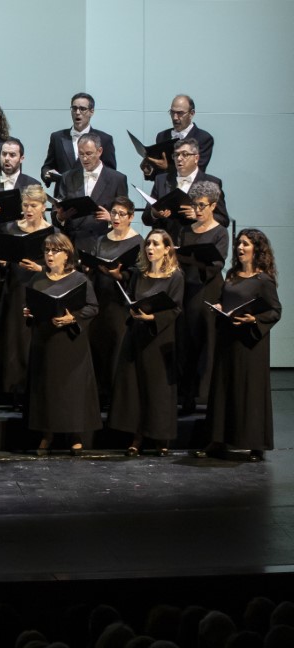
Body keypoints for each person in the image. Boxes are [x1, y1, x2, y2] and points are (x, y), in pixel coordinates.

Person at [196, 229, 282, 461]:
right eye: (238, 244)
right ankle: (218, 440)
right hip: (228, 339)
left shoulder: (263, 280)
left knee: (249, 391)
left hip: (251, 343)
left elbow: (276, 311)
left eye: (245, 244)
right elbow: (226, 300)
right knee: (223, 389)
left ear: (257, 249)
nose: (240, 248)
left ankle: (255, 444)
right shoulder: (232, 275)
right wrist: (220, 307)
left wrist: (254, 319)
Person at [108, 230, 185, 456]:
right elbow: (131, 299)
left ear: (167, 248)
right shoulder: (140, 274)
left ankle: (161, 437)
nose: (150, 248)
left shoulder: (175, 276)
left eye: (155, 244)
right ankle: (137, 435)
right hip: (137, 336)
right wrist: (133, 312)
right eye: (148, 244)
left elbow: (176, 308)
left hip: (160, 339)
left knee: (158, 390)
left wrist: (153, 318)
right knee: (136, 388)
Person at [23, 233, 101, 455]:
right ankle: (47, 434)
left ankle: (75, 435)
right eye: (47, 250)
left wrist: (72, 318)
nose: (49, 255)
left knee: (71, 391)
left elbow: (93, 307)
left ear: (66, 255)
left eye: (55, 251)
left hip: (70, 343)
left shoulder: (79, 280)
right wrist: (28, 313)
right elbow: (31, 307)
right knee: (47, 390)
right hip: (45, 342)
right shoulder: (37, 280)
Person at [0, 184, 51, 407]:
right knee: (13, 339)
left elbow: (64, 269)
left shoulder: (52, 233)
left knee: (32, 340)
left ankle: (32, 390)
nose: (28, 209)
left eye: (33, 205)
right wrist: (3, 262)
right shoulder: (10, 228)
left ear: (43, 207)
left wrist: (41, 269)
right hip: (15, 288)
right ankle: (10, 390)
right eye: (25, 205)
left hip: (40, 290)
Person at [175, 181, 229, 414]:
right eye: (194, 205)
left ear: (213, 206)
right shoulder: (186, 231)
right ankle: (185, 395)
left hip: (207, 291)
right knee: (185, 343)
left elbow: (216, 265)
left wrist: (194, 261)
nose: (197, 210)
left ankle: (204, 396)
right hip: (186, 289)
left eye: (201, 206)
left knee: (206, 342)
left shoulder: (220, 232)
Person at [82, 196, 142, 405]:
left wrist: (120, 276)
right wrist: (89, 267)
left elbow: (139, 273)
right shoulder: (102, 240)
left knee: (117, 346)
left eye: (121, 214)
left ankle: (117, 397)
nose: (116, 218)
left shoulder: (137, 241)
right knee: (98, 344)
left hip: (120, 302)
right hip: (101, 298)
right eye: (114, 213)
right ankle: (98, 393)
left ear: (131, 217)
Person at [142, 138, 228, 244]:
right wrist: (155, 214)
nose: (179, 158)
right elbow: (146, 218)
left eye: (185, 154)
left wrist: (200, 215)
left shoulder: (212, 182)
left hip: (196, 245)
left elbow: (223, 220)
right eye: (176, 155)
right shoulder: (161, 180)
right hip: (166, 247)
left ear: (196, 158)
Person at [53, 133, 128, 247]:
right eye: (81, 154)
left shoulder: (117, 179)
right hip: (73, 244)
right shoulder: (67, 177)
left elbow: (126, 214)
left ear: (99, 151)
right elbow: (56, 212)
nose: (84, 158)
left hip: (103, 243)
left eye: (89, 153)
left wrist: (111, 218)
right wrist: (60, 217)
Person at [40, 93, 117, 186]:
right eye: (74, 108)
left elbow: (110, 172)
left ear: (91, 111)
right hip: (63, 195)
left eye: (82, 109)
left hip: (91, 196)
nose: (77, 112)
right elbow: (48, 165)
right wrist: (47, 173)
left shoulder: (104, 139)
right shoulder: (57, 137)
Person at [142, 94, 214, 179]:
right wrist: (149, 170)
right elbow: (158, 174)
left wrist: (167, 168)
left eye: (180, 113)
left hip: (189, 190)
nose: (175, 117)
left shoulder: (203, 138)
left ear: (191, 113)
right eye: (172, 112)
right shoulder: (162, 136)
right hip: (163, 189)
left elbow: (198, 171)